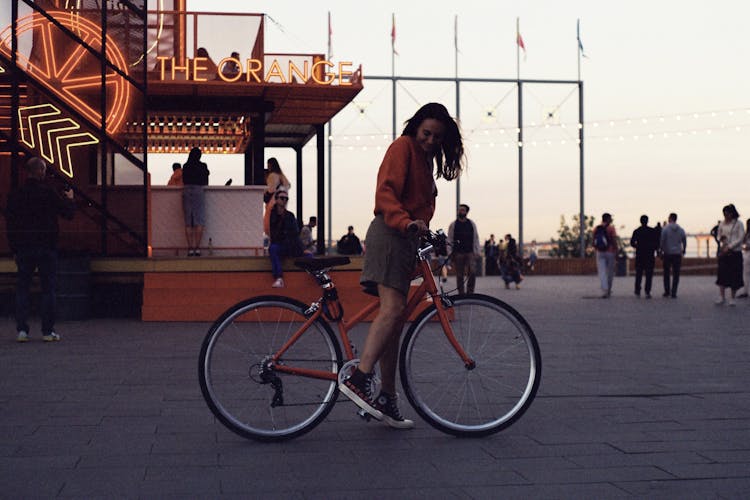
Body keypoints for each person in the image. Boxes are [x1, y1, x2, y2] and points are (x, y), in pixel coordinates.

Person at [339, 102, 465, 429]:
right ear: (415, 128)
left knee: (395, 323)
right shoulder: (403, 147)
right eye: (426, 133)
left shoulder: (425, 159)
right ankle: (359, 377)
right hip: (390, 234)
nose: (431, 141)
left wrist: (420, 229)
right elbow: (385, 194)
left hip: (405, 239)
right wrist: (406, 221)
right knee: (393, 309)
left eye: (437, 137)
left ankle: (387, 397)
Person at [5, 157, 75, 342]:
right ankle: (47, 331)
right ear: (41, 172)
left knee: (22, 289)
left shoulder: (16, 194)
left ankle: (22, 330)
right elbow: (68, 214)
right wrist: (70, 200)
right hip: (46, 246)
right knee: (48, 289)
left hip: (23, 247)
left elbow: (10, 222)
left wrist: (14, 247)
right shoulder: (49, 193)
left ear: (27, 172)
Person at [268, 188, 303, 288]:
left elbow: (295, 232)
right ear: (276, 199)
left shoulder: (290, 215)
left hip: (291, 245)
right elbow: (273, 233)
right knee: (273, 249)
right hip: (280, 245)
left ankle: (319, 276)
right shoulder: (271, 215)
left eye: (286, 199)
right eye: (282, 198)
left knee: (308, 256)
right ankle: (279, 278)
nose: (284, 200)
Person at [714, 204, 745, 306]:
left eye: (727, 214)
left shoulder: (738, 224)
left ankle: (732, 298)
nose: (725, 216)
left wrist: (730, 246)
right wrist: (721, 239)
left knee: (734, 276)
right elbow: (718, 234)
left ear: (732, 213)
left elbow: (741, 237)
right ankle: (722, 297)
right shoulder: (722, 223)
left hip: (735, 252)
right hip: (724, 251)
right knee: (722, 274)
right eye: (724, 214)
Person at [182, 147, 209, 256]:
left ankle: (190, 248)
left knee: (188, 222)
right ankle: (197, 248)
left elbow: (184, 180)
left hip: (187, 191)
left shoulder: (185, 166)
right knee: (199, 220)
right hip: (198, 190)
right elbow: (205, 181)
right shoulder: (203, 166)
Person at [448, 204, 480, 295]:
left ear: (466, 212)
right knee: (459, 275)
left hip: (470, 252)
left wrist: (477, 251)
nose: (460, 211)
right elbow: (449, 239)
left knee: (472, 272)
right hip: (458, 253)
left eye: (462, 210)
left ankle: (470, 292)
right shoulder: (453, 225)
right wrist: (450, 252)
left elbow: (476, 238)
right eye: (459, 210)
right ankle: (461, 293)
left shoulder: (471, 224)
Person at [630, 215, 659, 298]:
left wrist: (638, 247)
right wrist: (654, 249)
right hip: (649, 255)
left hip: (640, 254)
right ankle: (647, 291)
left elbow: (632, 242)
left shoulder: (637, 231)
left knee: (639, 273)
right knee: (649, 274)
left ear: (640, 221)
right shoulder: (652, 231)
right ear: (647, 221)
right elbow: (657, 243)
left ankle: (637, 290)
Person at [660, 212, 687, 298]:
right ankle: (674, 292)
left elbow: (662, 240)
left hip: (667, 253)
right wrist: (684, 249)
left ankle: (667, 291)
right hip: (677, 253)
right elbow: (684, 240)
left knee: (666, 273)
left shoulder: (665, 229)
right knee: (676, 273)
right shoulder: (681, 229)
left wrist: (661, 250)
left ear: (670, 218)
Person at [263, 157, 291, 236]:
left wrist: (264, 192)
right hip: (283, 203)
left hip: (274, 202)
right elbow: (288, 185)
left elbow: (271, 189)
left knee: (270, 222)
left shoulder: (272, 176)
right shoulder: (282, 176)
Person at [593, 213, 618, 298]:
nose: (611, 220)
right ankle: (608, 290)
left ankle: (604, 289)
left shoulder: (596, 228)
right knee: (610, 272)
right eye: (610, 218)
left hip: (600, 252)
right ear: (607, 219)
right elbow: (614, 240)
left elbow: (593, 241)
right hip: (610, 252)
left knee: (602, 271)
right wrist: (616, 250)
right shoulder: (611, 228)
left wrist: (596, 249)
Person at [739, 218, 750, 299]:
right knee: (745, 274)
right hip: (746, 254)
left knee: (746, 274)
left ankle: (746, 291)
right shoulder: (747, 234)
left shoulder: (747, 234)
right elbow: (743, 242)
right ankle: (746, 291)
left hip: (747, 253)